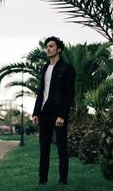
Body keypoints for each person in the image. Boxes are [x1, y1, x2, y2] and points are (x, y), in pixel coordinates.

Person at [32, 36, 76, 185]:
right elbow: (41, 91)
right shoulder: (45, 68)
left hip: (58, 114)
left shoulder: (67, 68)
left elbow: (69, 94)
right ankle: (42, 181)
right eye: (47, 47)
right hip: (44, 113)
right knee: (44, 150)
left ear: (59, 49)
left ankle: (63, 181)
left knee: (62, 149)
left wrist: (62, 115)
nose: (48, 49)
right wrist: (36, 112)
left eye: (51, 46)